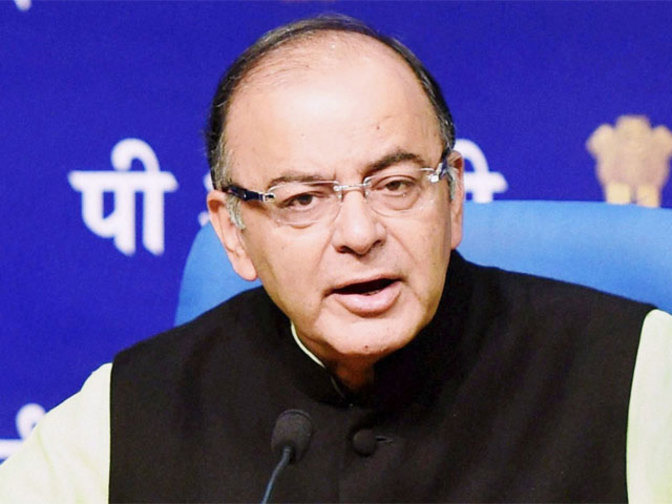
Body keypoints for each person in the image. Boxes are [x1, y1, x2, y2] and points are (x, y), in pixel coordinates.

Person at [1, 14, 671, 503]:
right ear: (233, 231)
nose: (359, 232)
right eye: (302, 199)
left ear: (453, 196)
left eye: (395, 184)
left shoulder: (639, 374)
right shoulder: (129, 413)